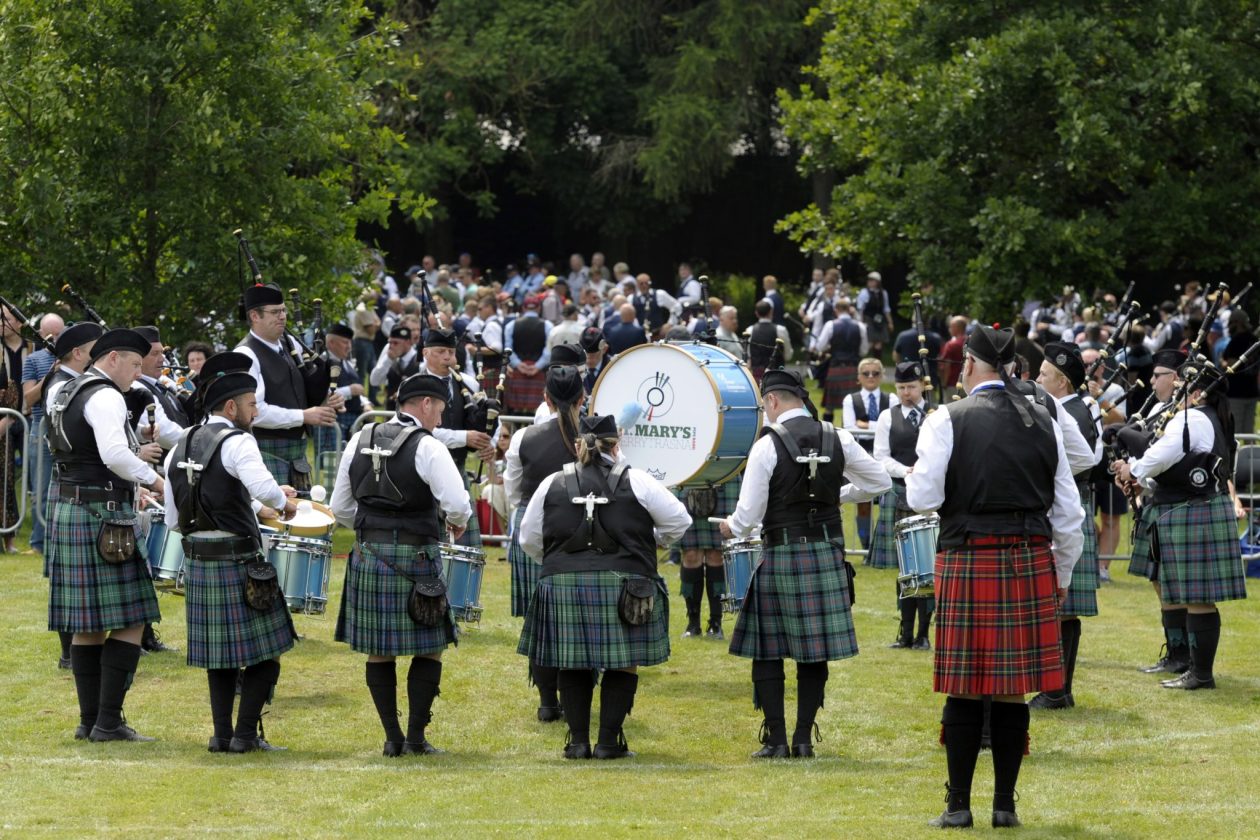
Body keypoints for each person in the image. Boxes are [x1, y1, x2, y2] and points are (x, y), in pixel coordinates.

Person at [905, 325, 1082, 829]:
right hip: (1029, 561)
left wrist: (919, 469)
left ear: (967, 367)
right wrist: (1061, 573)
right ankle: (1005, 806)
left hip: (968, 558)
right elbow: (1068, 513)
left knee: (962, 687)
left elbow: (923, 498)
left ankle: (957, 806)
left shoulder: (948, 418)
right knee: (1011, 690)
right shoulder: (1045, 420)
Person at [720, 369, 891, 758]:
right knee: (814, 651)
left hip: (781, 553)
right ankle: (802, 740)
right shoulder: (838, 437)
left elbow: (748, 517)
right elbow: (880, 482)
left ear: (773, 401)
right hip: (826, 552)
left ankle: (777, 741)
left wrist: (731, 526)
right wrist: (839, 496)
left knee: (768, 650)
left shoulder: (766, 446)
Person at [517, 413, 691, 759]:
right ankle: (609, 743)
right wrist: (651, 541)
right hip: (627, 584)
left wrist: (558, 566)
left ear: (579, 444)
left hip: (562, 582)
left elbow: (529, 539)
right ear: (618, 444)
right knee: (623, 661)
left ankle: (578, 741)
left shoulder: (552, 483)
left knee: (572, 661)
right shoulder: (639, 481)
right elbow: (680, 521)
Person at [331, 373, 472, 756]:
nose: (440, 420)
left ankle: (393, 739)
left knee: (380, 649)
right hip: (417, 558)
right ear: (425, 404)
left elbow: (341, 508)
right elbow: (458, 504)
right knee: (430, 647)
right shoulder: (428, 447)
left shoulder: (358, 440)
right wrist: (455, 520)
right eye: (439, 411)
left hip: (369, 556)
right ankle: (415, 738)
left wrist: (375, 526)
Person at [163, 354, 298, 752]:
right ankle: (244, 736)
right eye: (252, 404)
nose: (256, 411)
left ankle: (221, 735)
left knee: (217, 657)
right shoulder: (238, 441)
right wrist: (284, 504)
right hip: (240, 560)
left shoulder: (180, 445)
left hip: (200, 560)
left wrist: (253, 509)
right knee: (269, 650)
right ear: (230, 407)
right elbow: (264, 486)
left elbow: (173, 516)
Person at [47, 328, 168, 742]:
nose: (137, 374)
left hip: (70, 506)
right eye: (135, 364)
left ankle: (89, 721)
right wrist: (156, 482)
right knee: (132, 619)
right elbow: (115, 454)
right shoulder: (106, 395)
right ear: (113, 358)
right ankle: (109, 721)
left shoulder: (66, 389)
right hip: (102, 513)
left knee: (87, 624)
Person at [1113, 360, 1247, 691]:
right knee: (1177, 589)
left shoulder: (1194, 417)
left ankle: (1200, 673)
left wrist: (1134, 470)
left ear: (1198, 391)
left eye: (1183, 385)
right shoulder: (1197, 416)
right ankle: (1182, 659)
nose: (1176, 389)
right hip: (1186, 506)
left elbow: (1163, 454)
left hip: (1194, 508)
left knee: (1198, 595)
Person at [503, 366, 585, 721]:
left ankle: (547, 702)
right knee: (578, 617)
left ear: (546, 398)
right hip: (583, 526)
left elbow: (512, 491)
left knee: (539, 619)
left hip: (532, 524)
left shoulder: (524, 437)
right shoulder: (593, 436)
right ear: (583, 399)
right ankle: (571, 700)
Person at [1029, 342, 1103, 710]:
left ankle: (1056, 690)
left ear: (1061, 382)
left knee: (1062, 607)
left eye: (1043, 375)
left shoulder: (1071, 412)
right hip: (1065, 507)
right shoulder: (1068, 408)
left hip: (1066, 509)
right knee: (1062, 608)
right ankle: (1058, 689)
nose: (1036, 379)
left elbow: (1081, 461)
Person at [38, 321, 103, 667]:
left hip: (69, 481)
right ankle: (69, 653)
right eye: (95, 348)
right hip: (71, 480)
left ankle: (75, 650)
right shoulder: (61, 385)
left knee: (69, 575)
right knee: (67, 576)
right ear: (78, 353)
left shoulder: (71, 382)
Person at [234, 283, 342, 489]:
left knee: (300, 518)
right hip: (266, 452)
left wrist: (328, 398)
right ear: (255, 316)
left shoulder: (290, 344)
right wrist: (304, 416)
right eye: (275, 312)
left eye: (283, 310)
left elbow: (301, 391)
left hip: (296, 454)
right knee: (272, 519)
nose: (282, 316)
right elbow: (254, 413)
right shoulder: (245, 355)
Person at [871, 361, 933, 649]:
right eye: (901, 388)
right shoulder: (888, 416)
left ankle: (924, 634)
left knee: (928, 566)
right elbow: (881, 456)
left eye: (911, 387)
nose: (906, 393)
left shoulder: (936, 414)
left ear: (922, 385)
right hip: (900, 490)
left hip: (931, 493)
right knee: (906, 568)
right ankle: (905, 632)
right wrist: (905, 470)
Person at [416, 328, 493, 548]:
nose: (448, 357)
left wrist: (488, 443)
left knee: (463, 546)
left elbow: (487, 420)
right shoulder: (414, 386)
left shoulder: (468, 383)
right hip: (422, 471)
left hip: (456, 469)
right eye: (440, 351)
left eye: (451, 351)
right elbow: (419, 430)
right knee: (428, 541)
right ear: (425, 353)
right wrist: (464, 438)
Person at [19, 313, 64, 556]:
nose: (55, 339)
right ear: (40, 334)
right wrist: (51, 373)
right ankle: (38, 542)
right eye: (50, 335)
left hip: (67, 427)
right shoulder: (34, 359)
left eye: (59, 334)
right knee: (42, 486)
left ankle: (59, 539)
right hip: (40, 425)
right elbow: (28, 399)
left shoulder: (76, 359)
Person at [677, 473, 742, 640]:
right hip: (688, 475)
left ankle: (716, 624)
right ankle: (693, 624)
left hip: (724, 474)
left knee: (717, 554)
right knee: (690, 553)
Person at [840, 358, 888, 549]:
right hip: (859, 455)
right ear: (859, 377)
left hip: (884, 454)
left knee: (886, 502)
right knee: (864, 501)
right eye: (866, 373)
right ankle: (867, 545)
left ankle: (883, 544)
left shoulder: (890, 399)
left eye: (875, 373)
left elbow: (890, 427)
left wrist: (867, 425)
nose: (871, 377)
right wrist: (879, 427)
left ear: (881, 376)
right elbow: (850, 428)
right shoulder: (850, 400)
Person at [0, 302, 28, 552]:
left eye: (5, 318)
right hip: (4, 418)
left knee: (12, 481)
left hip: (24, 416)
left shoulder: (34, 347)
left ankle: (11, 538)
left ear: (17, 322)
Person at [815, 297, 866, 421]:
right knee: (852, 405)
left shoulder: (830, 325)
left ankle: (828, 434)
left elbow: (820, 346)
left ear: (836, 310)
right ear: (849, 310)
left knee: (829, 406)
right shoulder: (860, 326)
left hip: (836, 367)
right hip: (853, 368)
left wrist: (829, 348)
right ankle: (849, 433)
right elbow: (863, 350)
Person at [504, 296, 552, 413]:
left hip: (518, 372)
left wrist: (518, 364)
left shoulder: (511, 325)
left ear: (523, 308)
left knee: (515, 410)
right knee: (538, 410)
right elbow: (548, 350)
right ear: (539, 308)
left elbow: (508, 349)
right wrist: (537, 366)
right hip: (539, 372)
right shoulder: (548, 325)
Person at [369, 325, 420, 411]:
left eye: (396, 343)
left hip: (414, 413)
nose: (391, 346)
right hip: (391, 412)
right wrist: (388, 359)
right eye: (390, 342)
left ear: (407, 342)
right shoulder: (389, 359)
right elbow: (374, 381)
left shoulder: (421, 361)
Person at [743, 300, 792, 382]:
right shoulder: (781, 330)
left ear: (756, 313)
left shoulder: (749, 330)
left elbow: (748, 355)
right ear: (771, 312)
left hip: (757, 377)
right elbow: (788, 355)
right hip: (776, 375)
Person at [856, 272, 892, 357]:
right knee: (869, 343)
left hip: (879, 321)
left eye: (873, 280)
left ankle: (877, 363)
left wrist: (890, 322)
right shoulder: (864, 292)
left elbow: (886, 309)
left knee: (879, 343)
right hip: (868, 320)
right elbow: (860, 309)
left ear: (878, 282)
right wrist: (860, 322)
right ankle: (864, 363)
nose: (870, 282)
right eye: (869, 280)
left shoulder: (883, 293)